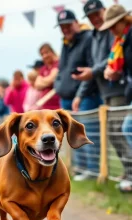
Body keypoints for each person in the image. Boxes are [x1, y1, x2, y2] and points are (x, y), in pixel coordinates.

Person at [73, 0, 132, 188]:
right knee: (114, 134)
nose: (95, 19)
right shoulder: (97, 36)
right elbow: (96, 66)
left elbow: (110, 60)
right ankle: (127, 171)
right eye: (90, 17)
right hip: (105, 90)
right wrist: (80, 94)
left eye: (97, 14)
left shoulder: (119, 36)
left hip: (120, 90)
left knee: (121, 130)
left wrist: (99, 71)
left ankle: (130, 173)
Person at [54, 9, 103, 181]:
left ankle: (92, 170)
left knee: (87, 133)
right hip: (66, 98)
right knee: (72, 135)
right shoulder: (66, 43)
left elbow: (91, 70)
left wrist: (80, 95)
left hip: (85, 97)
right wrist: (58, 85)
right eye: (62, 26)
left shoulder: (88, 38)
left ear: (76, 23)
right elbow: (62, 69)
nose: (65, 29)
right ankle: (81, 168)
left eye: (67, 25)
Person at [100, 4, 132, 191]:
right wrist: (115, 73)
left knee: (127, 127)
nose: (111, 30)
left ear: (123, 20)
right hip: (128, 90)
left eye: (113, 25)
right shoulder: (122, 40)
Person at [35, 43, 60, 110]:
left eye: (46, 53)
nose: (45, 56)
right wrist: (48, 81)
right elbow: (37, 85)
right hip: (45, 106)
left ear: (52, 52)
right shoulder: (43, 68)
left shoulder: (58, 64)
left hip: (57, 105)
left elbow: (51, 79)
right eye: (42, 54)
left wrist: (43, 80)